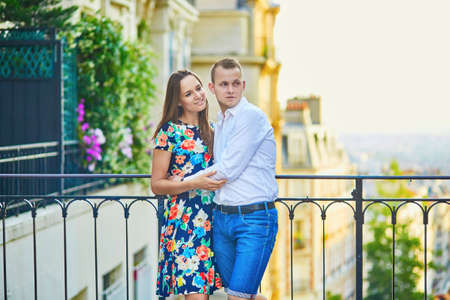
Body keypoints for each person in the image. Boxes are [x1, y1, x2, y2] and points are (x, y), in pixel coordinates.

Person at [185, 58, 278, 299]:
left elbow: (228, 170)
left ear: (243, 85)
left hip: (254, 219)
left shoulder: (251, 117)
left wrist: (182, 183)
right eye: (224, 84)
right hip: (222, 219)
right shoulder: (223, 122)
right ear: (212, 88)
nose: (230, 89)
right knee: (240, 294)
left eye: (235, 83)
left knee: (237, 296)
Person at [151, 70, 225, 298]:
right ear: (179, 101)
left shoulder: (214, 130)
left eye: (199, 88)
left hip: (217, 222)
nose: (198, 95)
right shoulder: (169, 132)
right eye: (188, 93)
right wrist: (191, 183)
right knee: (196, 295)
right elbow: (157, 185)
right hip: (185, 225)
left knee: (239, 292)